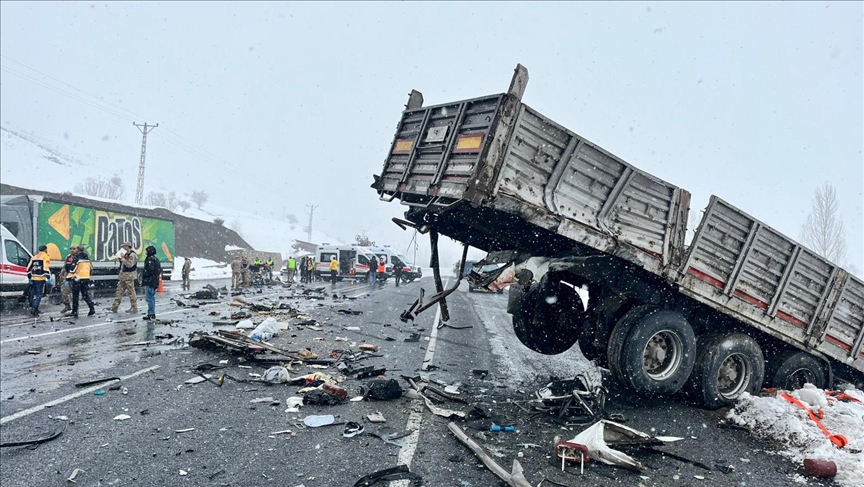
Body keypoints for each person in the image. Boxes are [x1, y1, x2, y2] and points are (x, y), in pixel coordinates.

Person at [110, 242, 138, 313]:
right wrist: (120, 258)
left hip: (129, 276)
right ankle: (115, 307)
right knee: (119, 291)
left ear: (128, 246)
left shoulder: (132, 255)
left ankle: (134, 307)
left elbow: (130, 265)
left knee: (131, 292)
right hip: (123, 276)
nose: (122, 248)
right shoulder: (126, 254)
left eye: (124, 246)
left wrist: (123, 259)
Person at [69, 246, 95, 318]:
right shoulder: (87, 259)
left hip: (77, 279)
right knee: (85, 294)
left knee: (75, 296)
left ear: (78, 250)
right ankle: (91, 308)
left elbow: (72, 270)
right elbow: (91, 268)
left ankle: (74, 311)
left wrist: (68, 278)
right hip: (85, 279)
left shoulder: (76, 258)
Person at [26, 244, 51, 316]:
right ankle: (34, 308)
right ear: (45, 249)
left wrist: (29, 276)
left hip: (33, 278)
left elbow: (28, 268)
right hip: (40, 278)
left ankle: (34, 308)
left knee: (33, 294)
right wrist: (48, 277)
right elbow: (46, 268)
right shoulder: (46, 257)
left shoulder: (34, 257)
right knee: (39, 295)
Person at [142, 245, 161, 320]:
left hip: (150, 281)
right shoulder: (155, 259)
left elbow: (150, 270)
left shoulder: (150, 260)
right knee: (151, 297)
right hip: (154, 281)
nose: (146, 253)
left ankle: (151, 313)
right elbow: (158, 270)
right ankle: (151, 313)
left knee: (149, 298)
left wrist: (146, 276)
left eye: (147, 251)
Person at [58, 246, 77, 314]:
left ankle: (75, 309)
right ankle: (67, 306)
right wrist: (61, 273)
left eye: (74, 249)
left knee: (75, 294)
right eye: (71, 249)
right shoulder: (68, 257)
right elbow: (65, 266)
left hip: (75, 277)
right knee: (64, 291)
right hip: (67, 276)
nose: (72, 250)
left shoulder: (79, 257)